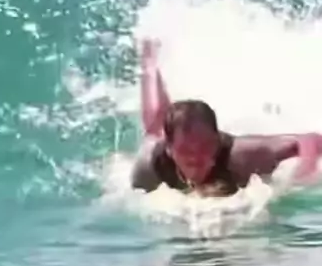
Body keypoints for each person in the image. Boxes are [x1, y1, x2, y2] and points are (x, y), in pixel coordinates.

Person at [131, 38, 322, 197]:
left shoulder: (243, 155)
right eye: (185, 150)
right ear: (170, 150)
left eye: (204, 147)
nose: (195, 157)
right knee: (155, 122)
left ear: (216, 142)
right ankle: (150, 60)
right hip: (165, 139)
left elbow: (309, 139)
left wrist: (305, 170)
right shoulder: (150, 166)